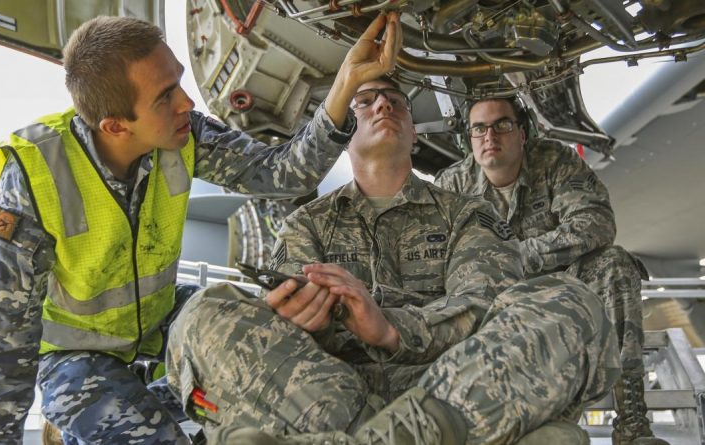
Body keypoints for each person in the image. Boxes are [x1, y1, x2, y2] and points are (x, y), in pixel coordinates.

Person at [0, 12, 404, 445]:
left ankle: (165, 398)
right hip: (76, 355)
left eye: (180, 81)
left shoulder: (185, 132)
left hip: (161, 319)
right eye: (165, 95)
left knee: (266, 340)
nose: (187, 102)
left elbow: (282, 174)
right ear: (115, 125)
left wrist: (345, 84)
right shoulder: (35, 176)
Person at [165, 77, 620, 445]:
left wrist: (389, 328)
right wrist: (309, 320)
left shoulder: (469, 214)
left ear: (414, 131)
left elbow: (484, 308)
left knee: (568, 302)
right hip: (334, 393)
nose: (383, 106)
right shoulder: (306, 224)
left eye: (396, 102)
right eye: (365, 102)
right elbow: (289, 346)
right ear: (343, 134)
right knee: (205, 314)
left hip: (450, 389)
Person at [433, 97, 666, 445]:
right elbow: (438, 260)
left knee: (615, 263)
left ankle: (632, 426)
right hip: (491, 297)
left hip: (560, 283)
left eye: (502, 125)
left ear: (523, 133)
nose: (489, 136)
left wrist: (520, 255)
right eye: (479, 129)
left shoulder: (555, 161)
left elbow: (596, 223)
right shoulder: (453, 185)